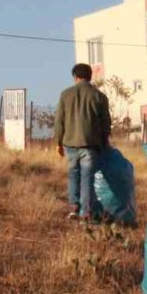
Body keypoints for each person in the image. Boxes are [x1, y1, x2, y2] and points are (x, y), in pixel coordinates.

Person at [52, 63, 111, 221]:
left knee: (73, 175)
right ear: (90, 76)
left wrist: (58, 141)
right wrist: (105, 141)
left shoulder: (65, 94)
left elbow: (59, 120)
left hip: (70, 143)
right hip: (90, 145)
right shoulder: (99, 96)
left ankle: (73, 208)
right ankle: (86, 212)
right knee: (87, 177)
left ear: (75, 77)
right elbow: (106, 123)